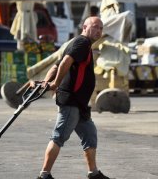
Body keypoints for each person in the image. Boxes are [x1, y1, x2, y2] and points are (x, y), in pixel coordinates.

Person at [36, 16, 111, 179]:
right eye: (95, 26)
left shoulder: (76, 43)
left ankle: (94, 173)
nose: (98, 30)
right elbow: (64, 63)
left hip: (80, 103)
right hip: (71, 100)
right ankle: (44, 175)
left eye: (101, 28)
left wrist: (46, 82)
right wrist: (54, 84)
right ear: (84, 27)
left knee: (90, 134)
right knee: (59, 137)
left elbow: (56, 65)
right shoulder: (82, 43)